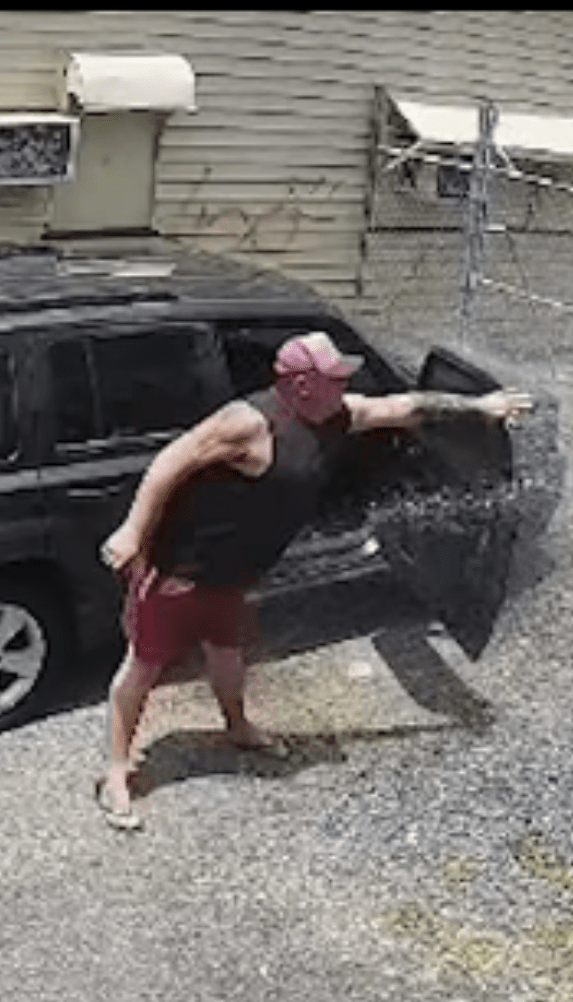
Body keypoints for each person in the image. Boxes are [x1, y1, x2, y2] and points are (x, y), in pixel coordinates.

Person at [97, 331, 531, 830]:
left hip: (234, 575)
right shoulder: (248, 423)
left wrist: (479, 406)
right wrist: (132, 531)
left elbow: (404, 407)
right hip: (180, 574)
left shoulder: (339, 415)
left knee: (228, 655)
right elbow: (172, 459)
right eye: (334, 377)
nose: (345, 383)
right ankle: (115, 774)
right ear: (301, 384)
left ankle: (237, 726)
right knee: (143, 669)